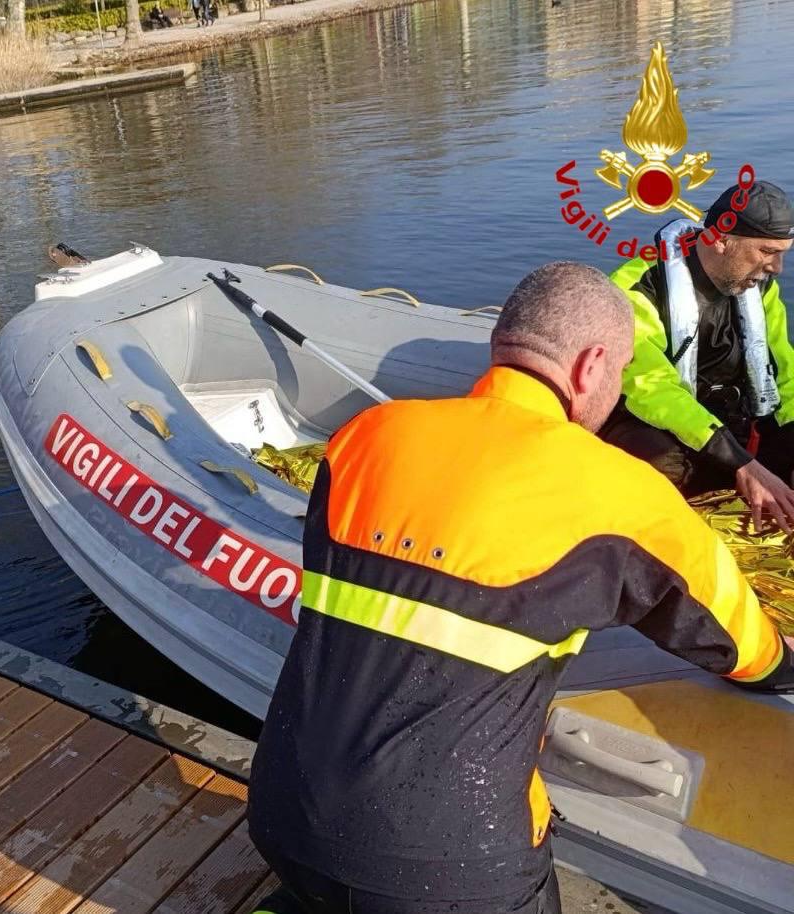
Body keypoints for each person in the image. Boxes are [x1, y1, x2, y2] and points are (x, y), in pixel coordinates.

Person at [247, 262, 794, 914]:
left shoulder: (365, 438)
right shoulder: (621, 493)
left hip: (281, 812)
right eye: (619, 375)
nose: (616, 393)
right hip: (454, 865)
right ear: (592, 366)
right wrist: (779, 663)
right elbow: (738, 641)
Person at [601, 181, 794, 531]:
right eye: (767, 252)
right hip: (662, 427)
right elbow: (652, 390)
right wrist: (742, 464)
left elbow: (785, 372)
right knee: (658, 460)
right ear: (720, 240)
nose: (777, 267)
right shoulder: (638, 288)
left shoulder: (761, 288)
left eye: (783, 253)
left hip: (733, 425)